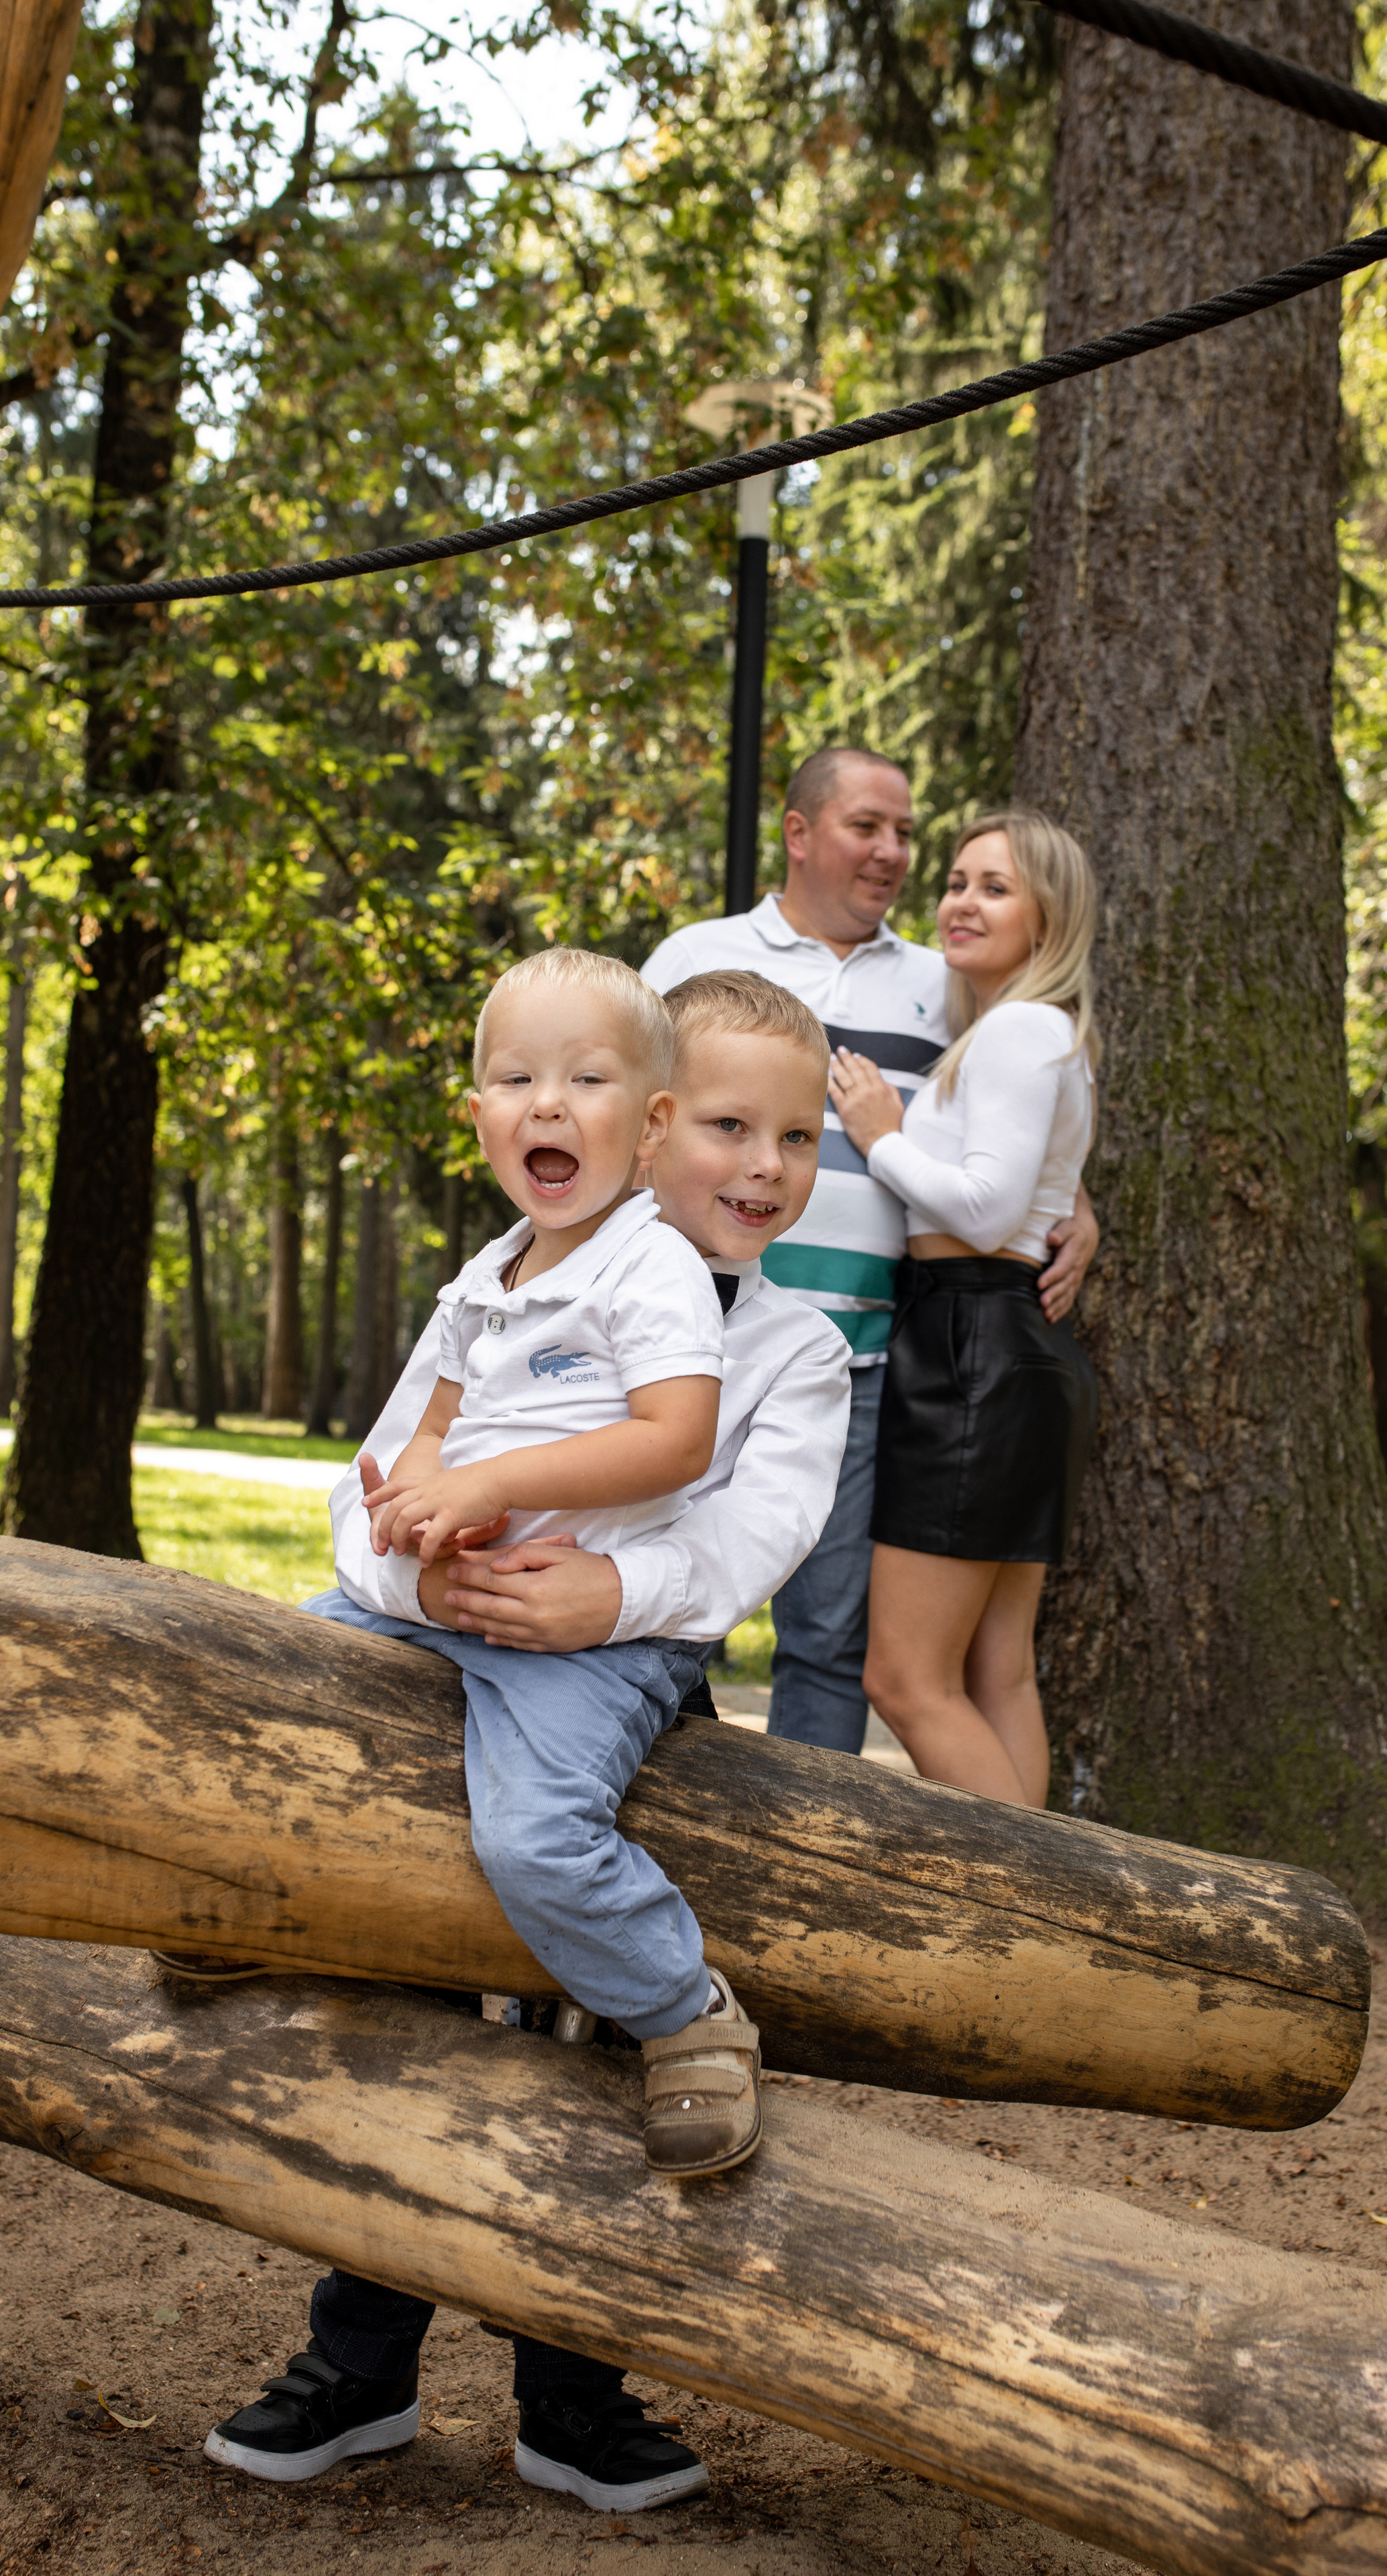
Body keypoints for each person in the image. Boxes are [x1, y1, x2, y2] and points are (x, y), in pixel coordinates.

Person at [203, 967, 851, 2515]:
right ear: (646, 1127)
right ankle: (354, 2368)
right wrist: (416, 1566)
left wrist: (606, 1594)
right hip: (442, 1658)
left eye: (797, 1140)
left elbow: (752, 1538)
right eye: (723, 1126)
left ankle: (574, 2396)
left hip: (618, 1702)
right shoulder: (500, 1279)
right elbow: (379, 1478)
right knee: (402, 2011)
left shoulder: (795, 1352)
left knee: (577, 2063)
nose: (760, 1167)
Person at [641, 747, 1099, 1756]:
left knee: (832, 1640)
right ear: (800, 834)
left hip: (861, 1365)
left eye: (904, 832)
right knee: (658, 1609)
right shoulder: (694, 957)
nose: (894, 852)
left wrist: (1079, 1203)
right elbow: (627, 1110)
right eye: (867, 827)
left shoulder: (953, 984)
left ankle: (809, 1851)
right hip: (687, 1350)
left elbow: (1012, 1112)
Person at [828, 810, 1099, 1806]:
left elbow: (986, 1211)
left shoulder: (1023, 1029)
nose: (961, 902)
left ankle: (1039, 1904)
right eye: (955, 881)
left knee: (904, 1678)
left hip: (973, 1347)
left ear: (1049, 917)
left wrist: (879, 1135)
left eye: (996, 887)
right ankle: (1051, 1933)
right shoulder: (1017, 1031)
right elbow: (1033, 1186)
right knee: (997, 1673)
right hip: (1002, 1347)